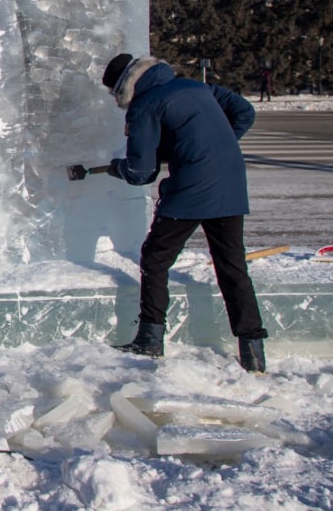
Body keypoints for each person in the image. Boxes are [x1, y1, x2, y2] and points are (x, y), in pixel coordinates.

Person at [100, 52, 268, 373]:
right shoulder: (196, 87)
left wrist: (116, 167)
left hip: (192, 188)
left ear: (122, 88)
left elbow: (141, 172)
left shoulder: (144, 106)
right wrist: (208, 147)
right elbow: (244, 112)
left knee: (155, 258)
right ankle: (253, 351)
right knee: (232, 265)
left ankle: (150, 338)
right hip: (231, 181)